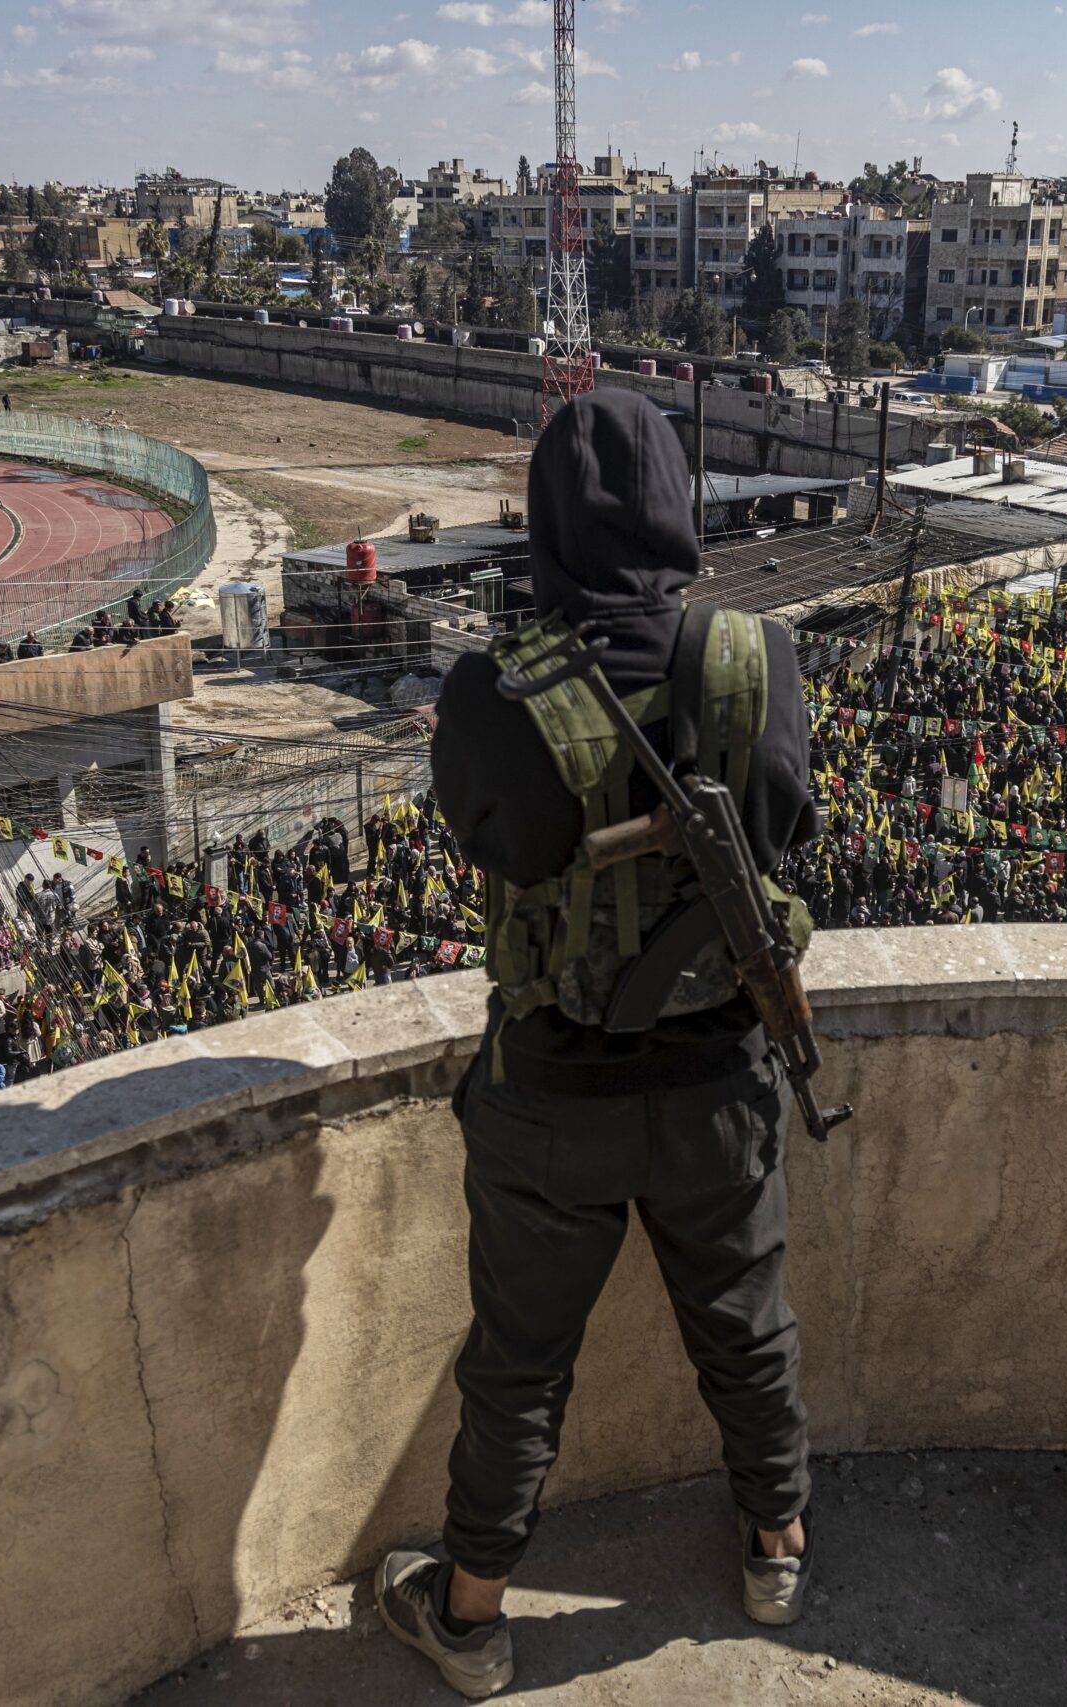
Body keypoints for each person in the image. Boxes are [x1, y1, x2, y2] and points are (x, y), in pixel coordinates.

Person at [376, 391, 819, 1697]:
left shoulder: (495, 688)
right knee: (746, 1328)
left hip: (550, 1092)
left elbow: (489, 840)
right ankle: (778, 1547)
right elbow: (786, 829)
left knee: (518, 1372)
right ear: (681, 505)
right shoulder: (760, 658)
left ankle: (468, 1618)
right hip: (718, 1084)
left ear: (550, 527)